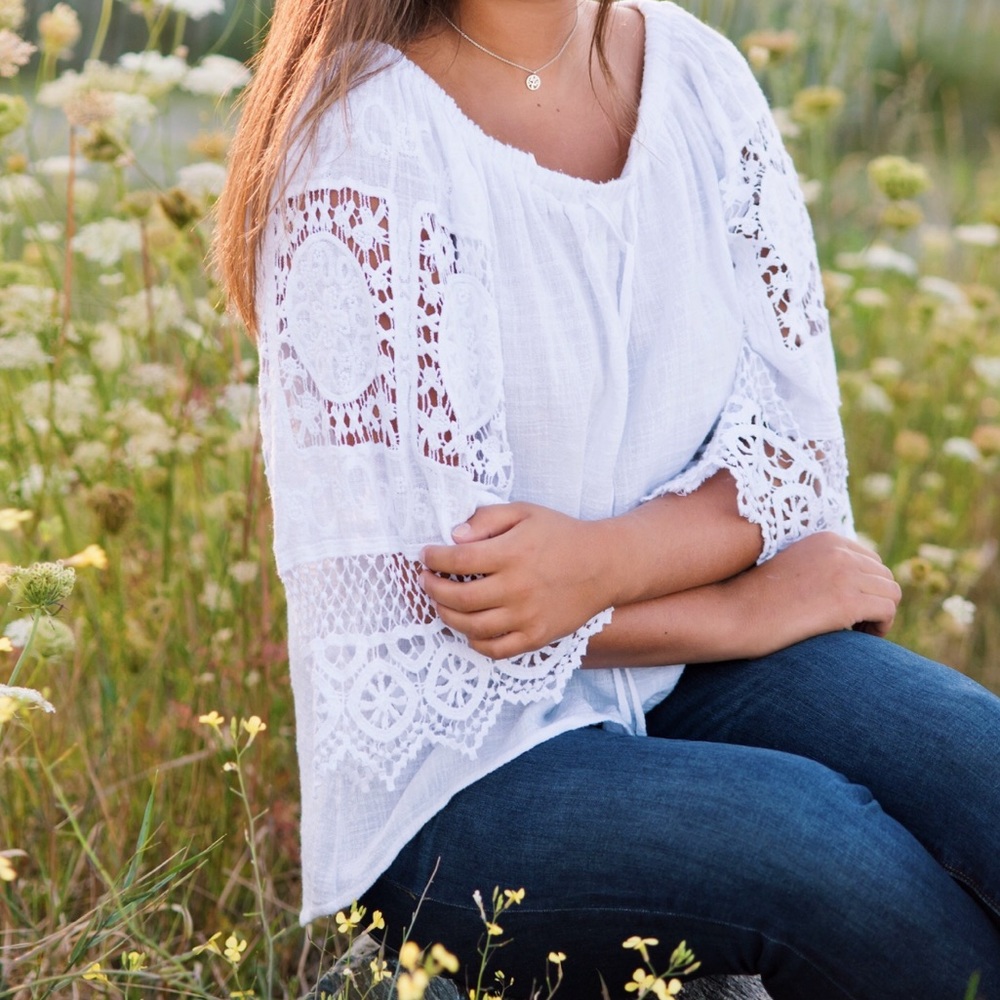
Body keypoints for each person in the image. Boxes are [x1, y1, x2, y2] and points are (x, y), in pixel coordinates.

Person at [214, 0, 1000, 996]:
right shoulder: (368, 140)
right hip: (461, 774)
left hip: (686, 673)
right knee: (826, 851)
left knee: (983, 766)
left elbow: (786, 456)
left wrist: (598, 566)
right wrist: (735, 606)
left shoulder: (699, 79)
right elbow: (431, 615)